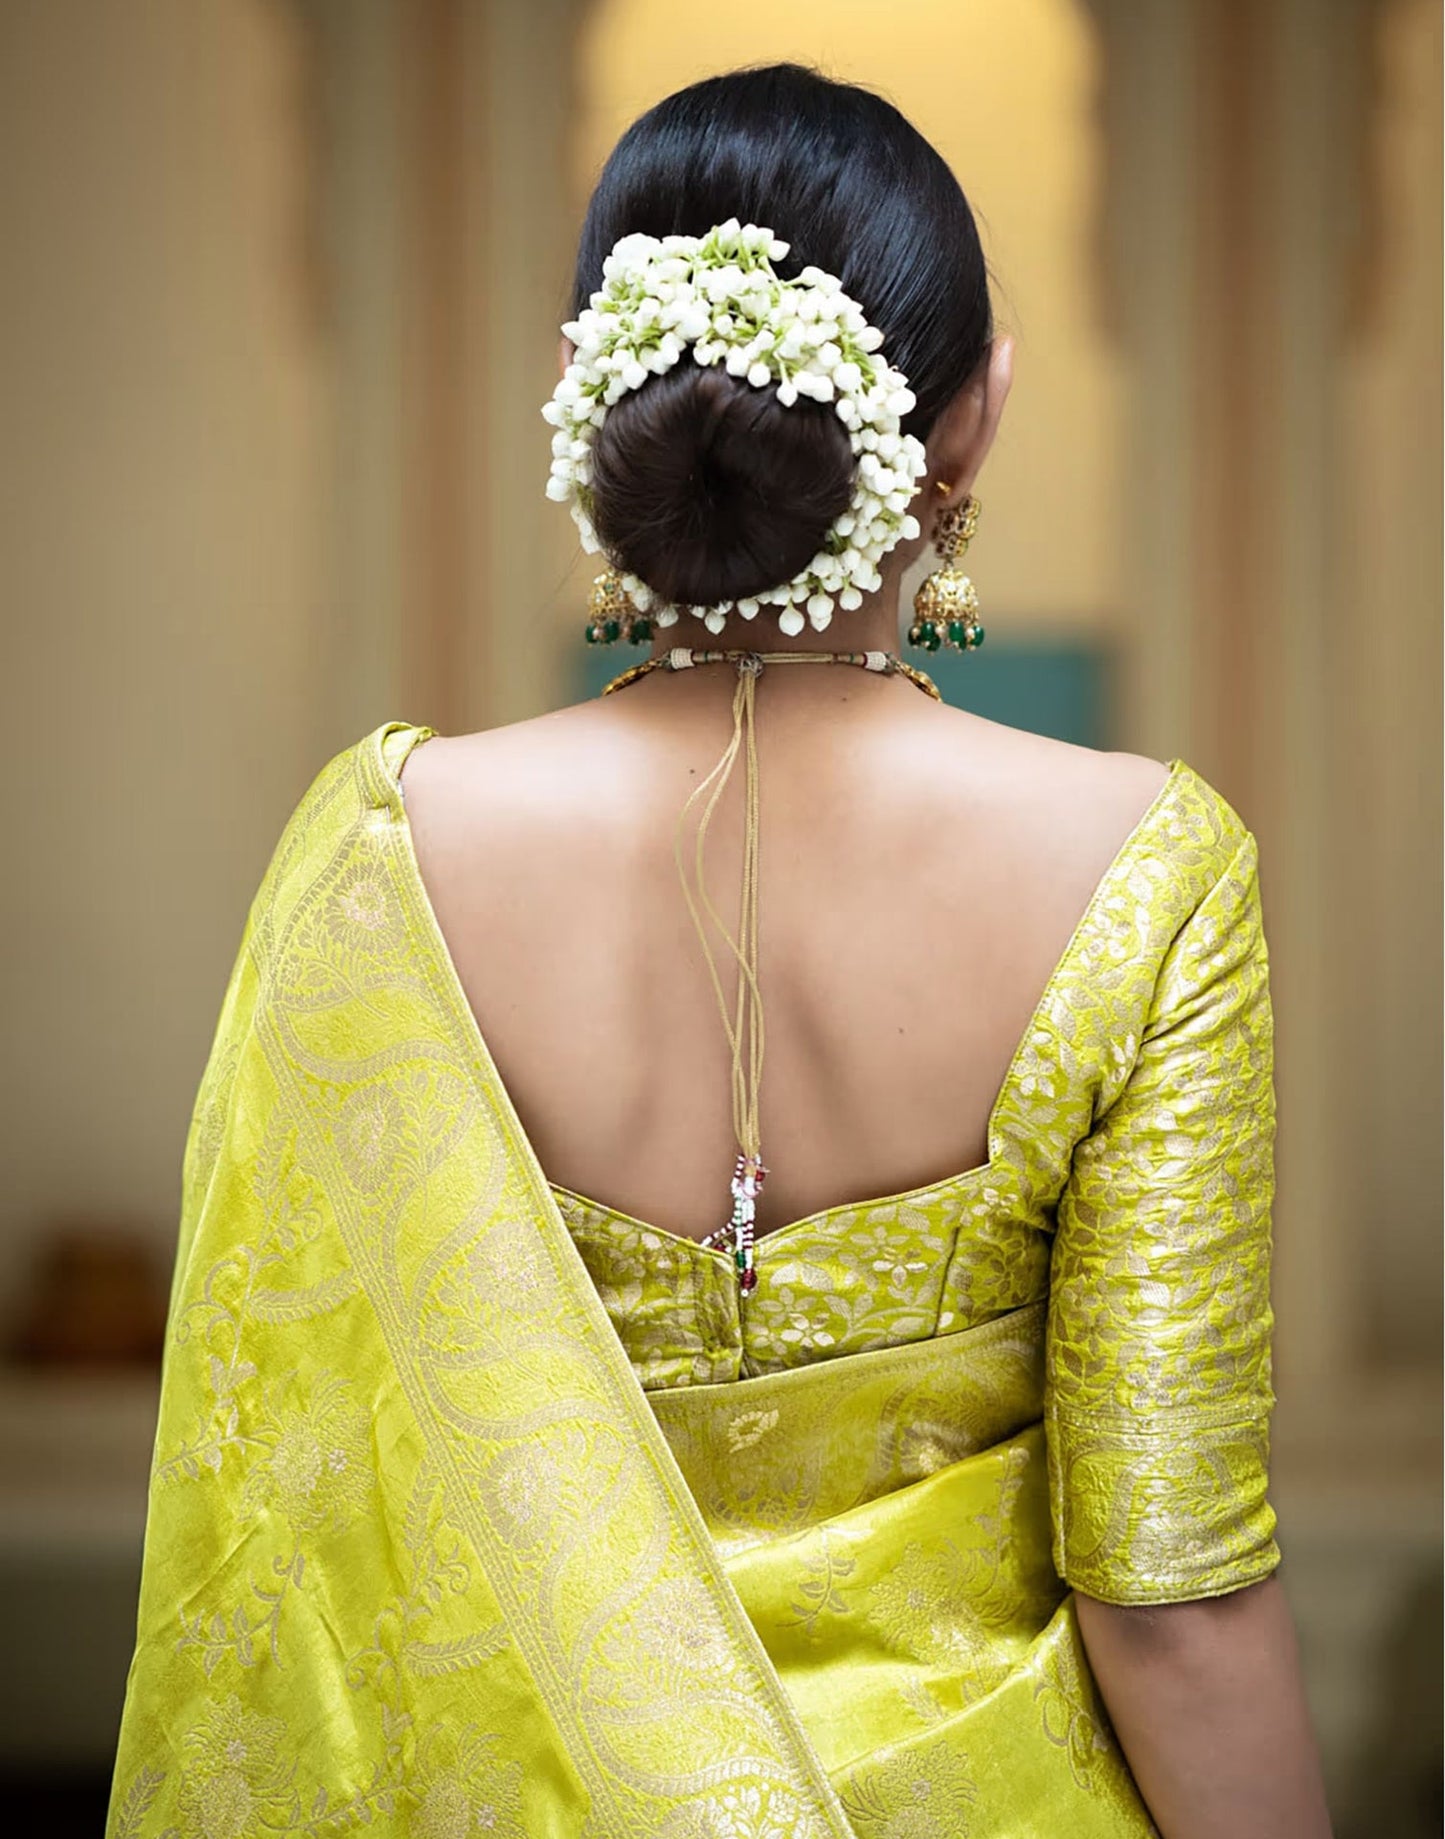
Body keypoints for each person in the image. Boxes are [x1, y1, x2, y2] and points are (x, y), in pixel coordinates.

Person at [107, 62, 1332, 1839]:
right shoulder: (1145, 870)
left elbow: (277, 1514)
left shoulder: (378, 856)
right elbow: (1173, 1594)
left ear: (586, 399)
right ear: (967, 420)